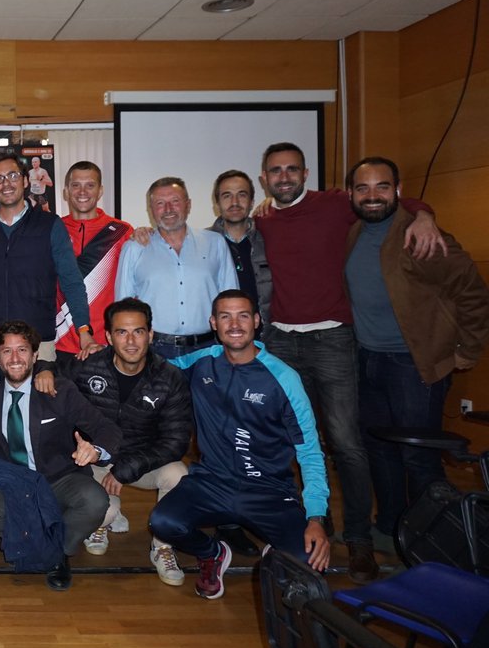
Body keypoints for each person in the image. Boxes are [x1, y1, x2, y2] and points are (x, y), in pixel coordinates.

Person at [256, 141, 443, 582]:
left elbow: (391, 200)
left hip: (334, 339)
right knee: (291, 442)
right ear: (265, 178)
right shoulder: (263, 218)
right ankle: (304, 524)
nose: (284, 177)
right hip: (282, 340)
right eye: (275, 172)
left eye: (292, 170)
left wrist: (426, 213)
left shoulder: (337, 204)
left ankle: (358, 539)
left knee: (346, 442)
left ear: (306, 173)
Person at [150, 290, 331, 601]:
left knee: (308, 561)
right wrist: (102, 352)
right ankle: (213, 554)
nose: (234, 324)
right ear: (213, 323)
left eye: (243, 315)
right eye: (225, 316)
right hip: (212, 483)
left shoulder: (284, 378)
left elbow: (311, 453)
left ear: (257, 321)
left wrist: (316, 518)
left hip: (269, 491)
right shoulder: (201, 362)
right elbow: (150, 365)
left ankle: (279, 548)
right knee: (163, 522)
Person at [344, 156, 489, 540]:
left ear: (399, 191)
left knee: (419, 457)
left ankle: (439, 542)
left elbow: (473, 295)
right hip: (367, 360)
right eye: (363, 188)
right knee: (380, 449)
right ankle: (392, 530)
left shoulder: (422, 235)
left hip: (412, 366)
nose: (372, 196)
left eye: (382, 187)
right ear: (351, 194)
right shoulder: (353, 232)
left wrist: (467, 351)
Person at [0, 320, 122, 591]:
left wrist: (95, 449)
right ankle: (37, 541)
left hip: (60, 478)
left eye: (22, 350)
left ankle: (57, 553)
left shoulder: (58, 390)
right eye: (7, 352)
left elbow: (108, 429)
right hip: (14, 482)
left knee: (95, 501)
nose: (15, 359)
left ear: (35, 355)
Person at [66, 297, 191, 586]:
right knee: (101, 515)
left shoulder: (170, 378)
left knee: (179, 474)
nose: (131, 340)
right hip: (97, 461)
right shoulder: (86, 368)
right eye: (122, 332)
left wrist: (125, 469)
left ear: (150, 334)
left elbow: (176, 442)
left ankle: (162, 547)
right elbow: (55, 395)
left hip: (142, 462)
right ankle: (109, 515)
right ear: (109, 336)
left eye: (138, 331)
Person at [0, 152, 95, 361]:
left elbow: (71, 281)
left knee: (41, 394)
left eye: (13, 176)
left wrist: (84, 330)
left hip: (37, 340)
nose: (6, 184)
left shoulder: (50, 225)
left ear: (26, 180)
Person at [116, 176, 238, 359]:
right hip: (155, 350)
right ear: (151, 210)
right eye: (160, 203)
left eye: (175, 201)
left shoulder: (215, 243)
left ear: (188, 205)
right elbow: (121, 307)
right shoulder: (134, 248)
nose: (168, 209)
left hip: (207, 349)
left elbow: (232, 298)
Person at [54, 160, 133, 368]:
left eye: (90, 185)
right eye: (75, 185)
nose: (82, 191)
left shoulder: (122, 232)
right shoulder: (52, 229)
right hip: (58, 342)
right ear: (66, 191)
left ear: (100, 191)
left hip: (104, 343)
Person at [207, 170, 272, 328]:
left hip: (268, 338)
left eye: (242, 195)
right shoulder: (202, 244)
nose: (234, 202)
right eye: (227, 196)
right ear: (217, 204)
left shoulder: (270, 239)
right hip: (219, 341)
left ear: (251, 202)